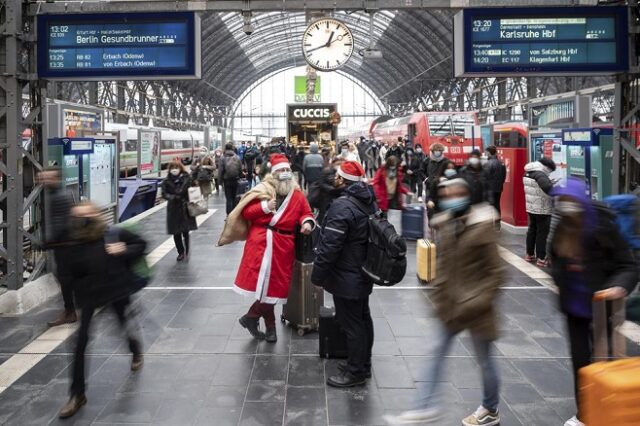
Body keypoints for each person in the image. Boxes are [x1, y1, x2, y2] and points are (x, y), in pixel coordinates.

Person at [384, 179, 503, 426]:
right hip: (451, 305)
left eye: (457, 193)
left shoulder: (482, 228)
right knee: (435, 352)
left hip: (477, 308)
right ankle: (423, 408)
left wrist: (475, 299)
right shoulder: (446, 224)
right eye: (447, 194)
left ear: (468, 195)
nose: (452, 197)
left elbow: (497, 273)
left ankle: (490, 408)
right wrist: (439, 294)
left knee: (485, 362)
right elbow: (444, 264)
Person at [546, 178, 638, 426]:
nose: (565, 206)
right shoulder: (563, 225)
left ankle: (611, 410)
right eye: (562, 201)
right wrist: (558, 277)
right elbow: (554, 256)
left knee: (604, 364)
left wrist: (618, 286)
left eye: (570, 201)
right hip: (573, 307)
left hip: (602, 307)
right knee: (580, 363)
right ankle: (584, 414)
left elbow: (628, 265)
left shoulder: (602, 225)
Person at [57, 203, 146, 419]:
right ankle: (77, 394)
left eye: (86, 215)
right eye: (77, 216)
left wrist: (123, 249)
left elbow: (141, 244)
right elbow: (67, 272)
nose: (82, 219)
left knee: (123, 325)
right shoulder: (73, 240)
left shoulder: (112, 233)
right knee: (80, 343)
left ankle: (135, 349)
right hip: (89, 296)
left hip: (115, 291)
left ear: (95, 214)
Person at [218, 154, 315, 343]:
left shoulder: (297, 194)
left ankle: (251, 317)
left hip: (284, 246)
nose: (285, 174)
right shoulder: (262, 189)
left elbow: (307, 213)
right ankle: (270, 328)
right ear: (274, 173)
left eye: (288, 170)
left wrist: (307, 223)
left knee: (275, 287)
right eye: (281, 171)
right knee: (264, 287)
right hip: (261, 241)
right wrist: (264, 206)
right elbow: (247, 212)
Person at [312, 161, 376, 388]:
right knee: (363, 318)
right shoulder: (368, 199)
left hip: (347, 274)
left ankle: (355, 372)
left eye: (337, 177)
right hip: (362, 271)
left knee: (352, 324)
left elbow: (329, 247)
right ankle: (363, 364)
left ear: (341, 180)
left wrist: (317, 277)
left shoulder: (342, 207)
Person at [39, 168, 78, 327]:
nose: (43, 181)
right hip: (63, 244)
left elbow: (62, 222)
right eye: (41, 178)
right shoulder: (55, 194)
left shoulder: (59, 196)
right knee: (65, 277)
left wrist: (49, 241)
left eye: (47, 178)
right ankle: (72, 309)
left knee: (65, 278)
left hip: (64, 245)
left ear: (56, 178)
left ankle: (70, 312)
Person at [162, 161, 197, 261]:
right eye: (172, 168)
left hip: (185, 207)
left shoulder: (187, 178)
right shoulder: (166, 181)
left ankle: (187, 250)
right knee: (176, 232)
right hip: (173, 209)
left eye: (176, 167)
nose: (174, 170)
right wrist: (173, 197)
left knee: (186, 231)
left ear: (180, 168)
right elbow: (164, 194)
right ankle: (180, 252)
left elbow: (192, 189)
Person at [523, 157, 555, 267]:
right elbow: (547, 188)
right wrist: (554, 187)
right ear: (547, 167)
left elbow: (535, 187)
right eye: (550, 170)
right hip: (542, 208)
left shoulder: (529, 172)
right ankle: (541, 258)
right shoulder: (540, 174)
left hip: (531, 206)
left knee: (532, 229)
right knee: (542, 233)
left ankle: (529, 254)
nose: (550, 172)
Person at [483, 146, 507, 228]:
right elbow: (504, 176)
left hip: (490, 189)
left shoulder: (488, 164)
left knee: (489, 205)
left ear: (489, 152)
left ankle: (489, 225)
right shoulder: (501, 163)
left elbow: (485, 177)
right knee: (497, 205)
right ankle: (497, 224)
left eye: (486, 152)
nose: (485, 154)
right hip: (499, 188)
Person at [422, 143, 449, 211]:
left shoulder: (446, 161)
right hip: (430, 186)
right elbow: (421, 171)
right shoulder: (427, 160)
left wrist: (445, 178)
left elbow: (450, 173)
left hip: (442, 187)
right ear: (432, 151)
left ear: (442, 151)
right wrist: (425, 179)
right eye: (435, 150)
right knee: (430, 207)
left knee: (442, 208)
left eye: (439, 150)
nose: (437, 152)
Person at [219, 142, 244, 215]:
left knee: (228, 198)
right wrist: (240, 176)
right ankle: (234, 214)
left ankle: (229, 214)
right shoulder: (237, 157)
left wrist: (219, 182)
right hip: (235, 180)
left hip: (226, 180)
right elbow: (240, 169)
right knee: (234, 197)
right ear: (232, 148)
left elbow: (220, 170)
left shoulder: (222, 157)